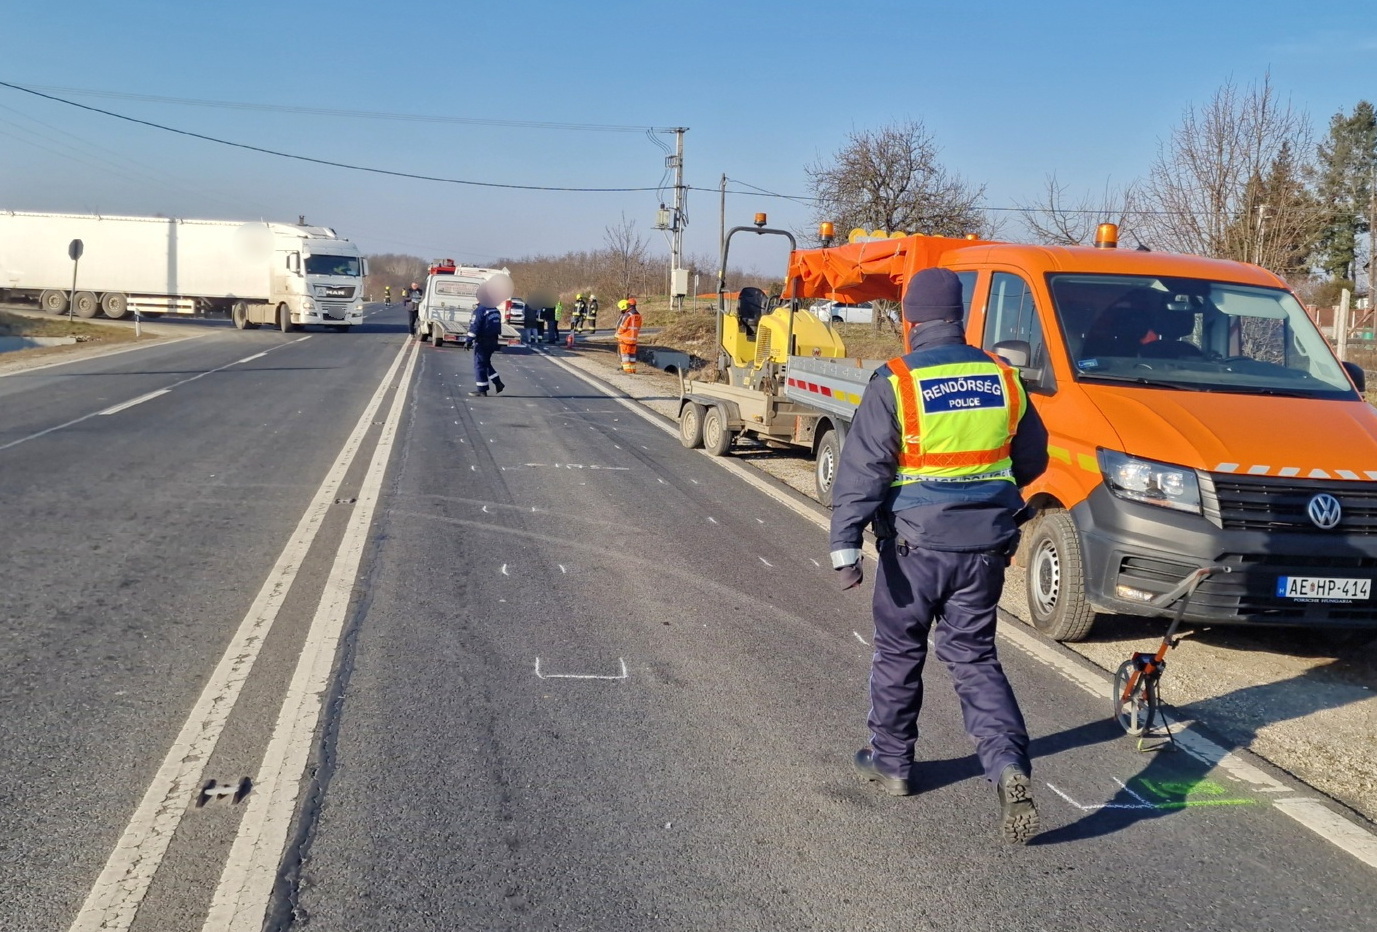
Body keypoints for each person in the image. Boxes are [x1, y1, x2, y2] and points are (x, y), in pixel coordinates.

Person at [829, 267, 1049, 845]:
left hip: (914, 549)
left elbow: (865, 470)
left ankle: (894, 764)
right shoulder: (1004, 376)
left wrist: (844, 544)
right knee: (974, 657)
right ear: (960, 314)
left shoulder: (897, 379)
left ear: (911, 317)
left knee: (900, 652)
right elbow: (1033, 458)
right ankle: (1007, 766)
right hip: (985, 548)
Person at [466, 277, 508, 397]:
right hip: (493, 340)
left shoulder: (480, 310)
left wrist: (469, 340)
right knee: (485, 363)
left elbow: (475, 326)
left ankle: (482, 389)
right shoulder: (494, 310)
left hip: (483, 340)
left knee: (479, 364)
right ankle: (497, 382)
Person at [615, 297, 642, 374]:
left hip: (625, 339)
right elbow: (639, 327)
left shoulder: (628, 315)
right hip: (634, 339)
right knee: (632, 356)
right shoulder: (638, 315)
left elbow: (623, 326)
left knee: (625, 356)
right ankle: (633, 370)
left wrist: (618, 333)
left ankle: (627, 371)